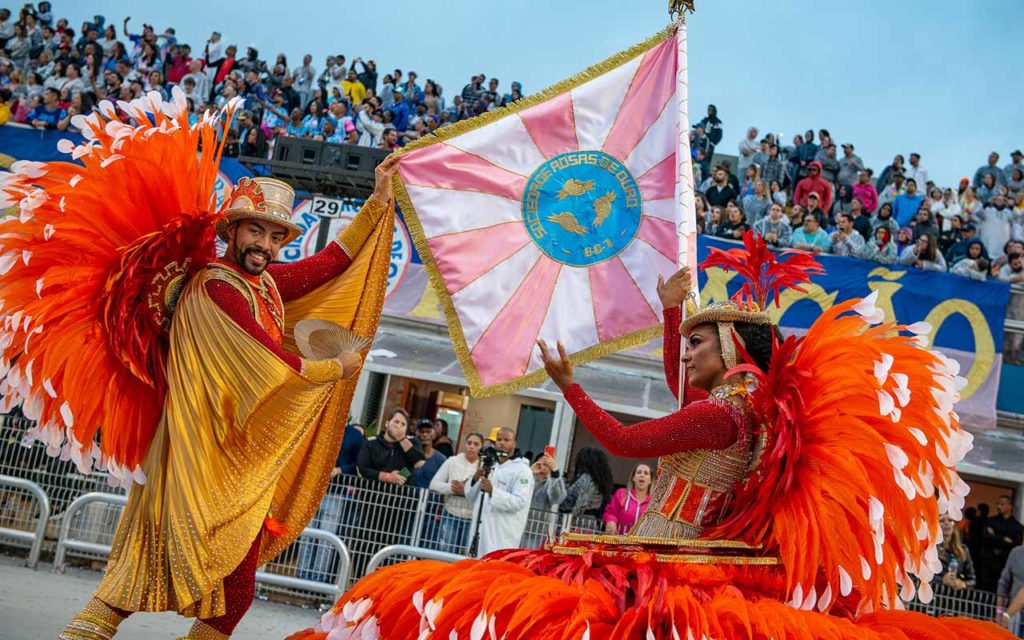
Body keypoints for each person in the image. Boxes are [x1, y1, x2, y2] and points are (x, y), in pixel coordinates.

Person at [293, 233, 997, 639]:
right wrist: (670, 312)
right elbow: (676, 386)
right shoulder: (740, 401)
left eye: (697, 341)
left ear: (730, 346)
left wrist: (567, 384)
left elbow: (625, 442)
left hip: (676, 564)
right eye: (686, 342)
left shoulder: (727, 412)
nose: (685, 354)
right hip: (667, 551)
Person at [32, 97, 397, 639]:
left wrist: (377, 201)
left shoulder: (264, 283)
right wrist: (336, 367)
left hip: (229, 456)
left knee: (231, 589)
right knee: (141, 577)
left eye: (276, 237)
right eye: (257, 232)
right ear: (234, 230)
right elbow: (270, 364)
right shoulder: (217, 287)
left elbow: (328, 266)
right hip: (197, 452)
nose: (266, 246)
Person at [295, 422, 365, 583]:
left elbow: (359, 463)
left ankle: (318, 578)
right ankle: (301, 576)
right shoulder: (323, 427)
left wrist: (340, 470)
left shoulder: (354, 435)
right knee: (308, 535)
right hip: (313, 491)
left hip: (336, 493)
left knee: (326, 538)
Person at [464, 427, 534, 557]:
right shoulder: (490, 464)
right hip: (480, 529)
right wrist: (475, 479)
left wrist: (493, 492)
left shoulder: (523, 470)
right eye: (499, 439)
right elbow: (470, 496)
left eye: (507, 440)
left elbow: (519, 502)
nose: (502, 443)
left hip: (502, 533)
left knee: (495, 568)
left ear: (514, 444)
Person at [429, 432, 483, 554]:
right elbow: (434, 484)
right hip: (450, 514)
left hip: (472, 518)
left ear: (481, 447)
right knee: (444, 553)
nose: (472, 446)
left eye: (476, 444)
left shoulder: (484, 466)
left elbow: (485, 491)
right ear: (465, 444)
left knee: (466, 556)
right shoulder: (452, 461)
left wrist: (465, 490)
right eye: (469, 443)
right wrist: (452, 488)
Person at [557, 447, 614, 522]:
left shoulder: (587, 479)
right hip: (589, 520)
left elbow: (581, 505)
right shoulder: (599, 481)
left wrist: (569, 521)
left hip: (579, 521)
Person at [981, 496, 1024, 593]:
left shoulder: (1017, 527)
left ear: (1010, 506)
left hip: (1003, 564)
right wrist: (1004, 539)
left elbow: (1015, 545)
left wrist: (995, 536)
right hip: (988, 562)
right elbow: (986, 538)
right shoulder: (990, 521)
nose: (998, 506)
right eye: (998, 504)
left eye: (1002, 504)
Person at [602, 463, 652, 535]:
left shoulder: (654, 502)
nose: (642, 475)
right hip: (619, 542)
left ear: (650, 480)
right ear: (633, 478)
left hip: (643, 545)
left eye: (646, 473)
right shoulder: (621, 494)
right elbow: (610, 512)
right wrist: (611, 520)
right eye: (639, 472)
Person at [932, 513, 977, 592]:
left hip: (955, 598)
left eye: (950, 520)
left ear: (954, 525)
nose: (947, 523)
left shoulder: (963, 550)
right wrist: (942, 580)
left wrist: (963, 584)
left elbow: (972, 580)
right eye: (942, 521)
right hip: (935, 596)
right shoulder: (931, 549)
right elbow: (922, 576)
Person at [998, 545, 1024, 636]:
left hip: (1012, 615)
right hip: (1015, 618)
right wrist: (999, 611)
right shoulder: (1016, 553)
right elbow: (1003, 582)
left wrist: (1007, 615)